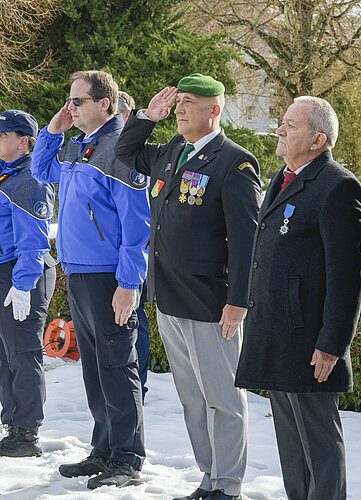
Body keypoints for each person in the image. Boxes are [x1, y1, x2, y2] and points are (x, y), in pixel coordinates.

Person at [115, 73, 261, 500]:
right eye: (177, 102)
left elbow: (247, 242)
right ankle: (208, 478)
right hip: (171, 299)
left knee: (223, 400)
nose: (179, 109)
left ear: (214, 110)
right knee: (194, 401)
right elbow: (126, 152)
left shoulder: (235, 163)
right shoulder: (175, 149)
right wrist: (147, 117)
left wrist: (238, 302)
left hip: (212, 303)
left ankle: (228, 486)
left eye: (189, 102)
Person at [235, 96, 361, 500]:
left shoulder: (338, 186)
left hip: (309, 341)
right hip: (277, 333)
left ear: (318, 139)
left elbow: (346, 276)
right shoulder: (282, 177)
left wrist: (331, 345)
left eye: (291, 124)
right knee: (291, 445)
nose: (280, 129)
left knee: (319, 444)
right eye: (282, 122)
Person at [31, 70, 150, 489]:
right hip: (79, 270)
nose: (71, 107)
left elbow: (137, 225)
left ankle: (128, 457)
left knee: (119, 367)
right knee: (97, 370)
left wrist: (129, 283)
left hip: (109, 276)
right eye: (69, 100)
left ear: (105, 104)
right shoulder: (79, 146)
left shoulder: (121, 147)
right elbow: (42, 171)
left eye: (77, 101)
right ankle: (104, 449)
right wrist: (51, 130)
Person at [0, 110, 56, 457]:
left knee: (23, 352)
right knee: (5, 355)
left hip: (23, 272)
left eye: (2, 135)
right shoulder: (7, 174)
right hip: (5, 269)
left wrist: (22, 285)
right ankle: (12, 424)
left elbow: (34, 243)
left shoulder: (29, 179)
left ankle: (27, 433)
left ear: (23, 141)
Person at [118, 90, 150, 400]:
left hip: (134, 259)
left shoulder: (134, 157)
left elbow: (138, 223)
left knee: (134, 323)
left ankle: (137, 384)